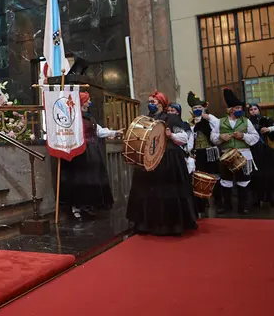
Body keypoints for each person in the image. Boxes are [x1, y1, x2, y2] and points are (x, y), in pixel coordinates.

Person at [126, 90, 197, 236]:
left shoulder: (171, 118)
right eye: (149, 102)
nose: (150, 104)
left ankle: (169, 225)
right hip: (149, 158)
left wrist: (172, 135)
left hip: (168, 158)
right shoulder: (146, 119)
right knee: (146, 190)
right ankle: (146, 224)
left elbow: (184, 138)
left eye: (153, 102)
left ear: (161, 104)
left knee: (166, 191)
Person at [60, 92, 120, 220]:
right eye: (87, 100)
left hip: (93, 151)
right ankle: (79, 207)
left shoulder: (89, 117)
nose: (89, 102)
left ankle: (91, 206)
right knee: (82, 179)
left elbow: (98, 131)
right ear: (82, 102)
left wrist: (114, 133)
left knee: (93, 178)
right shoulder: (74, 117)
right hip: (81, 152)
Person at [210, 88, 259, 215]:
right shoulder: (220, 122)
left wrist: (243, 136)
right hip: (226, 154)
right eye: (237, 108)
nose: (239, 110)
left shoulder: (246, 121)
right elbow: (213, 137)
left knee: (243, 180)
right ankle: (227, 206)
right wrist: (221, 137)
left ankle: (243, 206)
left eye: (240, 108)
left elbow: (255, 137)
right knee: (226, 181)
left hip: (243, 154)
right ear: (230, 109)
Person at [186, 92, 221, 215]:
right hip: (198, 153)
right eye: (195, 108)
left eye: (199, 107)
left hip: (210, 151)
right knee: (200, 178)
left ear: (203, 108)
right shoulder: (190, 122)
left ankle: (218, 201)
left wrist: (209, 117)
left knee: (214, 176)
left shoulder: (210, 119)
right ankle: (203, 202)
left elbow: (219, 126)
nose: (197, 109)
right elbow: (189, 139)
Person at [248, 104, 274, 207]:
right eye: (251, 109)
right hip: (254, 152)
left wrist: (269, 129)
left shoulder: (265, 119)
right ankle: (256, 199)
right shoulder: (247, 122)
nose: (253, 111)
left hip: (267, 152)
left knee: (270, 175)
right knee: (256, 176)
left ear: (259, 110)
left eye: (255, 109)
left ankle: (272, 198)